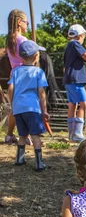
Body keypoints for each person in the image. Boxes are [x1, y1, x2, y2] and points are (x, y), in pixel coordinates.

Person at [8, 40, 48, 171]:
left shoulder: (16, 72)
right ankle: (39, 163)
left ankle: (19, 159)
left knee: (22, 135)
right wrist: (44, 110)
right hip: (32, 108)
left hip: (18, 108)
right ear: (36, 56)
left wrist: (12, 103)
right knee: (35, 135)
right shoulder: (38, 72)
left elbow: (10, 88)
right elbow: (41, 93)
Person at [63, 24, 86, 142]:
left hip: (68, 79)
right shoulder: (75, 44)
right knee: (84, 104)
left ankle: (71, 133)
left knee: (72, 104)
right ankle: (77, 133)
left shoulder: (68, 46)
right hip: (75, 79)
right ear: (80, 35)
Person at [5, 9, 30, 144]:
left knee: (15, 107)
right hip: (24, 76)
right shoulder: (22, 40)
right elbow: (28, 57)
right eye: (26, 22)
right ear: (20, 23)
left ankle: (9, 135)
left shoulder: (10, 40)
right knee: (26, 106)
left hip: (13, 75)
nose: (28, 25)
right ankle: (25, 135)